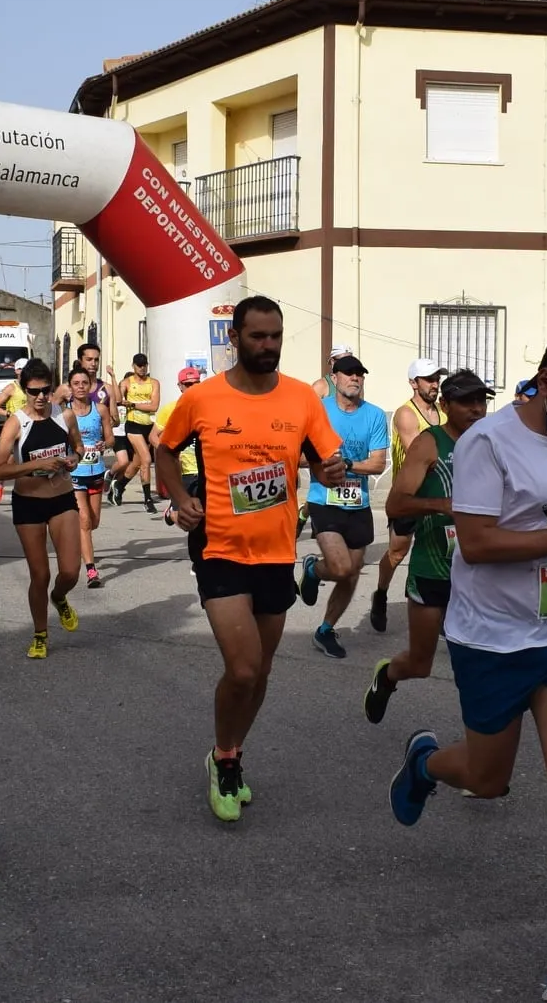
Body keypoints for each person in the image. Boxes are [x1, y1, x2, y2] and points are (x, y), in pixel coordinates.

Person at [387, 330, 547, 1003]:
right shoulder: (489, 442)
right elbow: (475, 544)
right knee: (487, 777)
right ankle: (424, 764)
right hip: (491, 638)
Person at [156, 296, 346, 824]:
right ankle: (222, 757)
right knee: (240, 669)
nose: (269, 346)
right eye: (258, 337)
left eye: (276, 336)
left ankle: (233, 753)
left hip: (276, 548)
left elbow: (323, 457)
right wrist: (179, 497)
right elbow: (164, 451)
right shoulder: (203, 399)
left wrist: (329, 472)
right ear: (235, 339)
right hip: (219, 547)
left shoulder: (301, 400)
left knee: (259, 673)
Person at [366, 369, 491, 724]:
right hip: (433, 569)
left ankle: (483, 749)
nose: (477, 409)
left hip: (479, 571)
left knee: (478, 663)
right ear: (447, 404)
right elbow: (395, 505)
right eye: (467, 401)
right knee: (420, 664)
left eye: (481, 401)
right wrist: (443, 505)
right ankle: (387, 676)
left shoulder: (491, 443)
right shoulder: (430, 442)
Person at [297, 355, 391, 658]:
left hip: (358, 502)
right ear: (333, 377)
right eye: (348, 373)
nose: (355, 379)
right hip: (323, 497)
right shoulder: (317, 411)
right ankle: (313, 569)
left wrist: (347, 463)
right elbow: (296, 455)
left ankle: (326, 629)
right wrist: (322, 462)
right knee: (340, 567)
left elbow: (377, 463)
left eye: (360, 374)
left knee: (351, 574)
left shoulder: (374, 415)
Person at [0, 358, 83, 658]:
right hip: (28, 503)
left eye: (46, 390)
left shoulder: (64, 415)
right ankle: (40, 634)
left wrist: (73, 460)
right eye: (34, 392)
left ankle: (60, 597)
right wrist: (36, 464)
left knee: (70, 571)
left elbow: (78, 447)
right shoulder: (16, 422)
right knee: (39, 574)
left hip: (62, 498)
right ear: (23, 390)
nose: (41, 397)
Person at [370, 359, 447, 634]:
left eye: (437, 378)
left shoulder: (443, 412)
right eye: (428, 379)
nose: (435, 384)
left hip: (438, 495)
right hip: (408, 496)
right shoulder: (406, 413)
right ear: (414, 383)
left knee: (444, 550)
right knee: (397, 552)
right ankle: (380, 593)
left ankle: (439, 608)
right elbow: (422, 452)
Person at [65, 367, 114, 587]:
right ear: (70, 387)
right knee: (84, 520)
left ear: (90, 385)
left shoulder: (100, 409)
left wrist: (105, 444)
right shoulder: (64, 413)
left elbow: (111, 439)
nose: (81, 387)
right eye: (76, 383)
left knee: (93, 522)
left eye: (84, 383)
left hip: (96, 471)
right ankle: (91, 571)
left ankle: (81, 541)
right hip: (75, 473)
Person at [150, 364, 204, 522]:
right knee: (179, 515)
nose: (192, 387)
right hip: (184, 471)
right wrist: (168, 455)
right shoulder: (170, 409)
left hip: (204, 471)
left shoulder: (207, 407)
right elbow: (153, 436)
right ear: (180, 386)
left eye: (195, 383)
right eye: (187, 384)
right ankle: (171, 512)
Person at [116, 352, 162, 513]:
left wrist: (133, 404)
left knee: (137, 463)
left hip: (148, 425)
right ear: (133, 366)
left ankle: (119, 485)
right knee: (147, 459)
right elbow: (118, 399)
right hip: (133, 425)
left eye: (144, 365)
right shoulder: (127, 382)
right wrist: (114, 379)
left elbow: (154, 406)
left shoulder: (154, 383)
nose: (142, 368)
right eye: (139, 365)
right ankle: (148, 499)